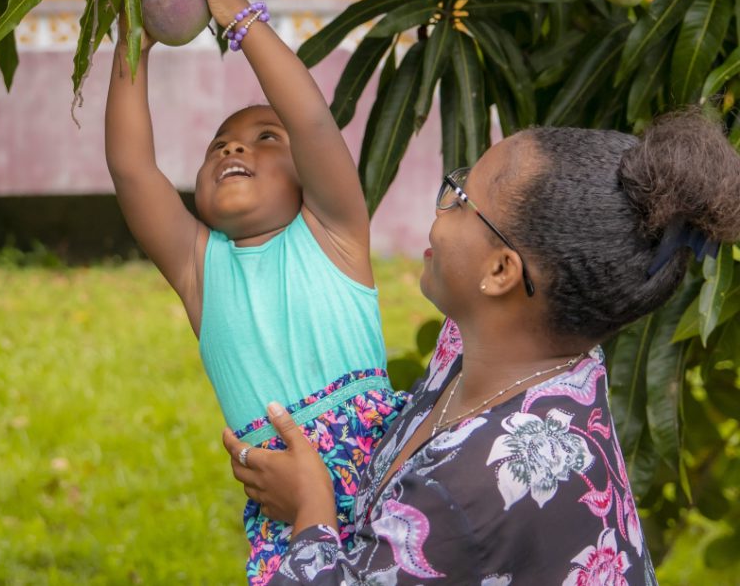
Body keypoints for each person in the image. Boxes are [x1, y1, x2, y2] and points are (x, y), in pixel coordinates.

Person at [224, 110, 740, 584]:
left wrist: (310, 506)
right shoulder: (501, 353)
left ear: (500, 271)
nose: (442, 203)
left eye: (461, 198)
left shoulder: (473, 489)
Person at [104, 0, 407, 584]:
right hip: (286, 517)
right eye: (220, 145)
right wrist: (137, 33)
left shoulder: (335, 234)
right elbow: (132, 169)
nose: (235, 145)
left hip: (393, 488)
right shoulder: (201, 271)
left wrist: (241, 18)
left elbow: (315, 123)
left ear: (306, 174)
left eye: (266, 138)